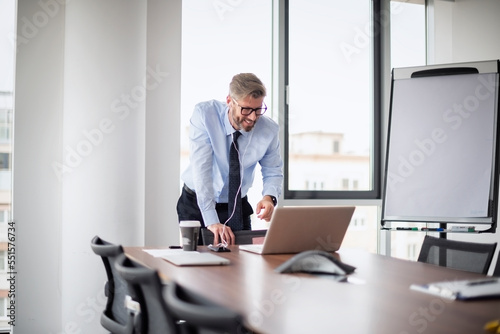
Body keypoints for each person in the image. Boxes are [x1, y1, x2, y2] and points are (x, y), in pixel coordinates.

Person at [177, 73, 283, 246]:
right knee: (199, 264)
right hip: (197, 202)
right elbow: (202, 170)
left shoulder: (269, 130)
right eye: (246, 109)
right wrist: (211, 220)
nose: (252, 117)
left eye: (258, 109)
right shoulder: (204, 115)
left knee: (240, 263)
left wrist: (269, 197)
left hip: (236, 206)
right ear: (229, 100)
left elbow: (273, 169)